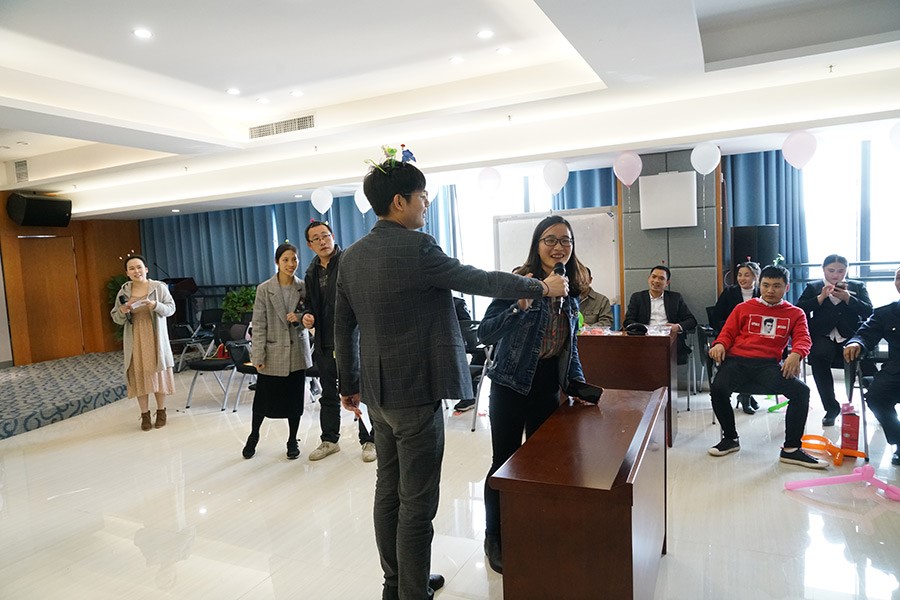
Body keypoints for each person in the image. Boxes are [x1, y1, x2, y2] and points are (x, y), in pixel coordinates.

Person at [334, 158, 568, 600]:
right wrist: (540, 287)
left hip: (377, 396)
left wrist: (349, 384)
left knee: (388, 491)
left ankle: (396, 584)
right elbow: (478, 279)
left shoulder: (351, 257)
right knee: (417, 503)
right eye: (422, 197)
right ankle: (412, 593)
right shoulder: (419, 247)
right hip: (416, 392)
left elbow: (342, 327)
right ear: (399, 201)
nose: (426, 204)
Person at [477, 214, 593, 575]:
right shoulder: (519, 281)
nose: (558, 247)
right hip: (510, 385)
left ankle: (532, 526)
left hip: (546, 387)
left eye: (565, 240)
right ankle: (494, 535)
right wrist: (521, 304)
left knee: (542, 466)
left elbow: (568, 347)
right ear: (537, 244)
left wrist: (576, 382)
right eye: (550, 240)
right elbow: (486, 333)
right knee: (504, 462)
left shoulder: (571, 289)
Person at [707, 265, 825, 469]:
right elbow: (727, 333)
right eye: (766, 285)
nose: (770, 290)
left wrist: (796, 354)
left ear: (786, 287)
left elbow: (803, 338)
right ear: (759, 285)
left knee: (801, 392)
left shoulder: (795, 313)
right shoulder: (743, 308)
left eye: (776, 286)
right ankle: (730, 438)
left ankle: (791, 449)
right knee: (718, 388)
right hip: (737, 361)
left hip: (767, 365)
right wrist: (719, 344)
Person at [301, 220, 376, 463]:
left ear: (333, 236)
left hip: (352, 340)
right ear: (310, 245)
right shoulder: (311, 272)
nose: (322, 241)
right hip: (325, 341)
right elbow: (309, 304)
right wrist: (307, 316)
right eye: (316, 239)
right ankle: (330, 440)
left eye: (325, 236)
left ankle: (370, 440)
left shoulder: (348, 263)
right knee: (328, 394)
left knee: (360, 391)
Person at [241, 242, 313, 460]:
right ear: (277, 262)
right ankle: (254, 435)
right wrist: (258, 355)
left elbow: (310, 316)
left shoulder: (304, 287)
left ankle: (292, 439)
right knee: (263, 400)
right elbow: (258, 324)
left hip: (296, 351)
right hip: (272, 353)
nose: (291, 264)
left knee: (294, 401)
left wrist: (300, 318)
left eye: (294, 259)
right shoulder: (264, 289)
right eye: (285, 260)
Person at [797, 254, 873, 426]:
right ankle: (831, 408)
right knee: (818, 357)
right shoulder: (813, 287)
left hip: (850, 335)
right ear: (823, 269)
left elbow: (869, 311)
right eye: (831, 271)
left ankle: (877, 403)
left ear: (847, 270)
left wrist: (848, 298)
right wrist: (820, 298)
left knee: (865, 362)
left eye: (840, 271)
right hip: (823, 335)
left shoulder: (857, 286)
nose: (835, 275)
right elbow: (799, 309)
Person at [111, 255, 177, 431]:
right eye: (131, 268)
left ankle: (161, 411)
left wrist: (155, 305)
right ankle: (145, 414)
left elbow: (171, 309)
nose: (136, 271)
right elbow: (116, 317)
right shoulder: (124, 292)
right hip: (135, 338)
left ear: (146, 269)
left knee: (157, 373)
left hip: (155, 337)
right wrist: (122, 311)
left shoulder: (159, 287)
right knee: (139, 375)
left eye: (139, 267)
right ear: (127, 273)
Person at [843, 266, 900, 466]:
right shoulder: (886, 312)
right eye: (899, 277)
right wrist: (856, 343)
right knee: (876, 396)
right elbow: (865, 332)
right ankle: (899, 440)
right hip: (896, 371)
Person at [713, 261, 761, 414]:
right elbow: (716, 317)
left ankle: (745, 395)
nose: (742, 278)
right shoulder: (729, 292)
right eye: (740, 275)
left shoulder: (762, 293)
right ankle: (746, 396)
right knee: (742, 358)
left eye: (747, 275)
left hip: (756, 338)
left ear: (756, 277)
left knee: (755, 356)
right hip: (732, 338)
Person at [624, 265, 697, 364]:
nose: (656, 281)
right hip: (644, 340)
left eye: (661, 278)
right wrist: (643, 329)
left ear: (667, 283)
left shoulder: (675, 298)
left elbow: (691, 321)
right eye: (653, 277)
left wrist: (677, 327)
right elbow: (628, 321)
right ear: (648, 279)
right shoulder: (637, 297)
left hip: (669, 340)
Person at [451, 296, 485, 413]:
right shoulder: (456, 302)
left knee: (481, 352)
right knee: (482, 351)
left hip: (436, 355)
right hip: (452, 353)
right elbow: (469, 334)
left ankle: (469, 395)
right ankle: (470, 395)